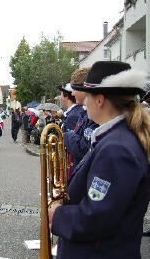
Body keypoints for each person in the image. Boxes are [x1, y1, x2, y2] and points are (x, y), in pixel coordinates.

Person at [48, 61, 150, 258]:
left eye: (88, 97)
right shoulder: (117, 138)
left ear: (100, 100)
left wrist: (57, 214)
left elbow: (96, 218)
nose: (85, 104)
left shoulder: (116, 148)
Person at [63, 67, 99, 180]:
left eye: (75, 89)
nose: (72, 93)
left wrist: (66, 134)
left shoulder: (91, 116)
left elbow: (82, 148)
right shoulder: (84, 113)